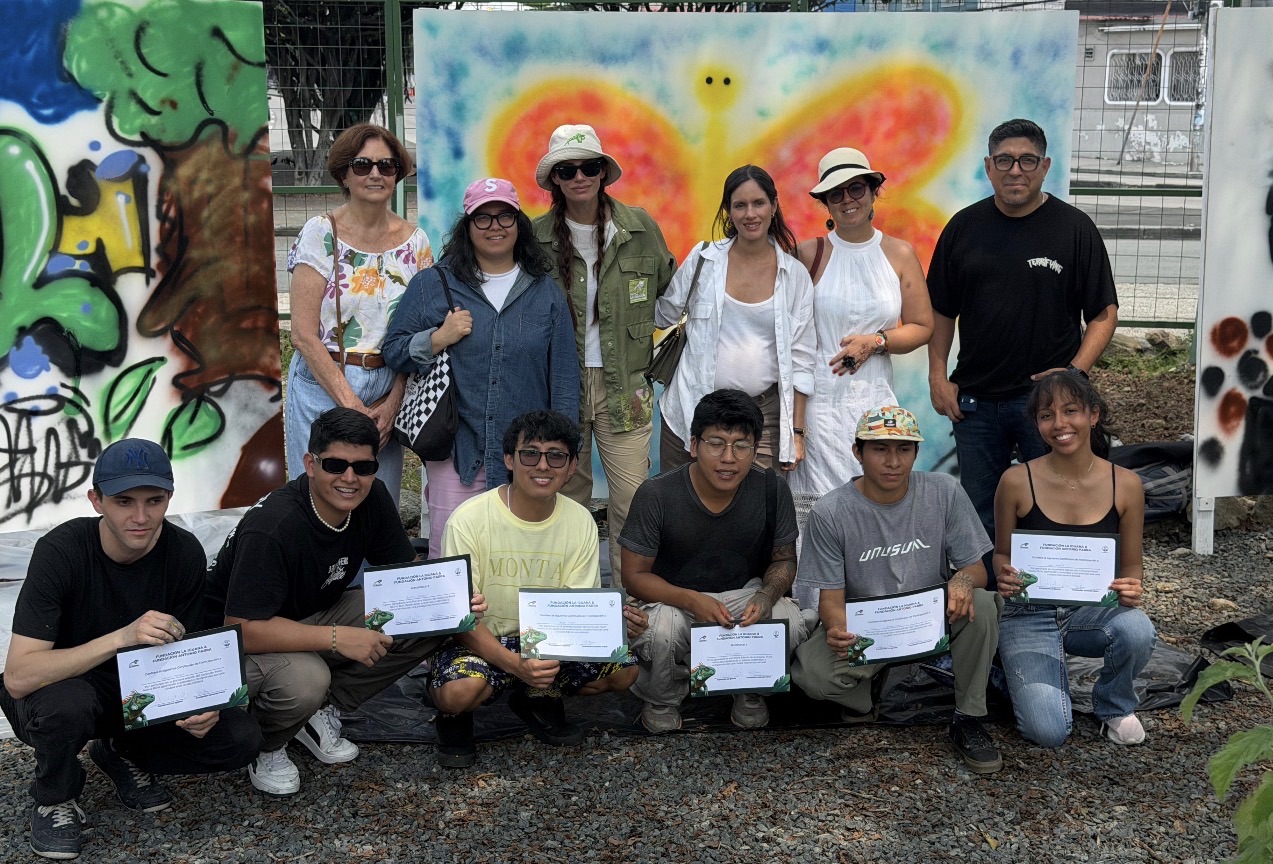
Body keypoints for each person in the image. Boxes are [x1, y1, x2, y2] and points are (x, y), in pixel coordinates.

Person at [0, 439, 261, 860]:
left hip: (142, 689)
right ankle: (55, 795)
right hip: (62, 688)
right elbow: (17, 678)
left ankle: (120, 751)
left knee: (239, 738)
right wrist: (120, 637)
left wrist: (203, 703)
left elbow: (190, 654)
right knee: (66, 707)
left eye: (154, 500)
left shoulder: (183, 552)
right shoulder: (61, 551)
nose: (141, 517)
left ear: (169, 498)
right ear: (96, 500)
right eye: (124, 501)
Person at [203, 408, 486, 796]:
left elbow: (406, 572)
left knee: (433, 615)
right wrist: (337, 638)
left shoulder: (373, 498)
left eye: (363, 467)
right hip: (235, 644)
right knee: (306, 680)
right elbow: (241, 628)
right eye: (335, 465)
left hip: (310, 614)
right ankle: (268, 743)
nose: (350, 478)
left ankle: (315, 711)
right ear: (311, 464)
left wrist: (450, 597)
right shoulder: (273, 527)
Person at [926, 118, 1118, 585]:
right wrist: (937, 376)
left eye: (1027, 160)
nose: (1016, 170)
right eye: (1005, 160)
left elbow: (1104, 313)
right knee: (980, 516)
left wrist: (1073, 376)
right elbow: (940, 311)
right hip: (975, 403)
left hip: (1047, 407)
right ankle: (992, 610)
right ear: (988, 167)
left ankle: (1055, 601)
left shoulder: (1074, 229)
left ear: (1045, 166)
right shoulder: (964, 228)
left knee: (1051, 507)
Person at [791, 406, 1004, 774]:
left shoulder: (943, 491)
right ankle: (868, 697)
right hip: (869, 629)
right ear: (858, 452)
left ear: (916, 453)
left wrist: (963, 580)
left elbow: (976, 569)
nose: (893, 462)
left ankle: (968, 717)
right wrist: (838, 628)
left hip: (932, 619)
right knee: (812, 674)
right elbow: (831, 600)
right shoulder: (831, 511)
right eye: (880, 449)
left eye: (904, 449)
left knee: (982, 605)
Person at [428, 411, 641, 767]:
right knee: (458, 693)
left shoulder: (580, 521)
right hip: (481, 640)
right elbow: (460, 620)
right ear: (509, 460)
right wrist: (516, 664)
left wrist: (616, 625)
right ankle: (453, 716)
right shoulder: (469, 518)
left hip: (549, 641)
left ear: (572, 466)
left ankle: (536, 694)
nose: (543, 465)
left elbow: (578, 611)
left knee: (625, 671)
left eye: (556, 455)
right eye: (530, 454)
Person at [384, 178, 579, 555]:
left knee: (519, 556)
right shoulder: (434, 284)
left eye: (505, 216)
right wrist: (437, 339)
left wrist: (563, 451)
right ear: (467, 226)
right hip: (458, 450)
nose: (495, 226)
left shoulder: (545, 292)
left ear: (519, 224)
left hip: (528, 457)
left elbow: (565, 379)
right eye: (483, 218)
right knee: (454, 556)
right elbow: (394, 350)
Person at [531, 124, 677, 591]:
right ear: (555, 179)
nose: (579, 177)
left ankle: (630, 604)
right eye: (567, 170)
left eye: (589, 167)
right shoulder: (535, 238)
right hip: (559, 387)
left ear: (603, 172)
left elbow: (670, 291)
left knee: (632, 500)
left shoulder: (639, 228)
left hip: (627, 387)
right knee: (564, 497)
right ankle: (572, 604)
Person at [789, 146, 934, 600]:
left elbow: (922, 326)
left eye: (856, 188)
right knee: (816, 516)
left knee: (878, 509)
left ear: (873, 192)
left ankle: (880, 610)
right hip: (818, 409)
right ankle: (816, 617)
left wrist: (877, 340)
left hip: (875, 406)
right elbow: (789, 336)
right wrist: (795, 427)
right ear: (825, 203)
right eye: (835, 193)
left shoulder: (899, 254)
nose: (847, 200)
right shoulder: (808, 254)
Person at [620, 389, 807, 733]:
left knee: (789, 620)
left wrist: (766, 595)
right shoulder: (657, 493)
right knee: (660, 630)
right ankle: (662, 698)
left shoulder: (771, 488)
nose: (728, 458)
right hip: (674, 600)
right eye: (716, 443)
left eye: (741, 445)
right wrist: (693, 600)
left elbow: (784, 560)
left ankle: (751, 690)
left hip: (743, 597)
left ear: (755, 449)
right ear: (694, 446)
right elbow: (633, 577)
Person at [993, 371, 1156, 747]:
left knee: (1137, 629)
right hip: (1028, 613)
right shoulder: (1016, 481)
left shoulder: (1125, 484)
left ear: (1093, 415)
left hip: (1090, 611)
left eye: (1070, 411)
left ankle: (1114, 704)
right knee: (1047, 733)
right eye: (1046, 415)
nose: (1059, 424)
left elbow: (1131, 562)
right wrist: (1003, 574)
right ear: (1036, 424)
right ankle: (1010, 671)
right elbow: (1002, 552)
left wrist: (1131, 586)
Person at [285, 123, 433, 504]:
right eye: (363, 164)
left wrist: (393, 402)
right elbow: (302, 334)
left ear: (397, 174)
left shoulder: (416, 244)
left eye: (387, 165)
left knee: (377, 505)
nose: (375, 174)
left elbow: (417, 336)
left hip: (388, 384)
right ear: (344, 174)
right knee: (315, 503)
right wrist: (351, 404)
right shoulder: (321, 234)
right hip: (324, 380)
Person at [656, 165, 815, 474]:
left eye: (758, 203)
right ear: (728, 211)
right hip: (690, 410)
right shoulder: (704, 260)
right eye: (740, 205)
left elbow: (802, 359)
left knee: (757, 502)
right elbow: (664, 313)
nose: (750, 214)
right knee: (681, 501)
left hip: (763, 420)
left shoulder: (794, 276)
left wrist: (796, 433)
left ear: (774, 206)